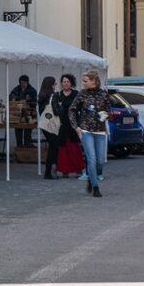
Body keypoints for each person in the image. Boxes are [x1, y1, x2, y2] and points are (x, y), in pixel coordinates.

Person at [69, 69, 111, 198]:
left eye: (85, 81)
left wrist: (106, 115)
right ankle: (95, 186)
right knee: (91, 159)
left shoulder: (104, 94)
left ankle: (91, 177)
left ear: (93, 81)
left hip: (100, 131)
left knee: (99, 161)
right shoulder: (82, 94)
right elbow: (72, 110)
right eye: (83, 81)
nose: (83, 83)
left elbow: (109, 110)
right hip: (86, 130)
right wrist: (76, 127)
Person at [52, 74, 84, 178]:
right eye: (64, 82)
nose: (66, 83)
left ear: (71, 83)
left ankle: (78, 169)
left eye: (68, 82)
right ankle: (64, 170)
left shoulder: (76, 94)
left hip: (73, 124)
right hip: (62, 124)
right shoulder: (57, 95)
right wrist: (60, 109)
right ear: (61, 83)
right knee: (63, 149)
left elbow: (80, 108)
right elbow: (55, 110)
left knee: (75, 148)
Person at [38, 76, 59, 179]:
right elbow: (56, 111)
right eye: (55, 84)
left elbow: (41, 112)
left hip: (44, 124)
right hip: (52, 124)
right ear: (51, 85)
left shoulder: (41, 95)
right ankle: (49, 171)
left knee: (52, 146)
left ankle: (49, 171)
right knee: (54, 147)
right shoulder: (53, 95)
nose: (55, 86)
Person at [9, 75, 37, 146]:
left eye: (24, 83)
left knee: (27, 131)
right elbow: (10, 96)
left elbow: (35, 102)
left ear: (27, 82)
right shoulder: (17, 89)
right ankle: (19, 146)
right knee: (18, 130)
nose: (23, 85)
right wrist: (14, 97)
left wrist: (29, 99)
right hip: (18, 114)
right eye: (21, 83)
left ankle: (27, 146)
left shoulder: (32, 90)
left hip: (29, 114)